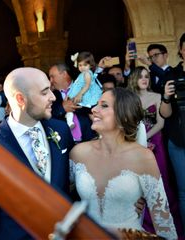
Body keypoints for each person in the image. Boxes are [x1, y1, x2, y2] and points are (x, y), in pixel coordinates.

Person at [0, 67, 75, 239]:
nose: (53, 97)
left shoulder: (61, 131)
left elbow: (73, 185)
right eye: (44, 92)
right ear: (20, 98)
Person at [70, 88, 177, 239]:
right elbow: (59, 193)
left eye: (104, 105)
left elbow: (162, 217)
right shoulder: (78, 153)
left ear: (124, 115)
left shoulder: (143, 157)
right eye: (96, 104)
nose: (94, 109)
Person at [128, 66, 183, 236]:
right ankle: (147, 226)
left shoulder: (158, 96)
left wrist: (146, 139)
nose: (144, 79)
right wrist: (139, 142)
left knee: (161, 181)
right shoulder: (130, 99)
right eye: (141, 77)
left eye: (147, 76)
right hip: (136, 144)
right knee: (139, 184)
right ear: (134, 79)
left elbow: (161, 123)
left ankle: (168, 225)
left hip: (156, 143)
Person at [160, 32, 185, 230]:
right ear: (181, 50)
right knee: (184, 191)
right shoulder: (171, 75)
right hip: (179, 140)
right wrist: (166, 98)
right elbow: (165, 113)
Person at [49, 62, 96, 142]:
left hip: (89, 139)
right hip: (64, 142)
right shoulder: (50, 95)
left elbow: (94, 107)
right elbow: (48, 115)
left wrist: (75, 105)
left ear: (64, 74)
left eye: (52, 77)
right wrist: (63, 108)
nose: (51, 81)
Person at [66, 52, 102, 129]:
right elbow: (76, 86)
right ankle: (69, 119)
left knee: (88, 112)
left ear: (90, 65)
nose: (82, 67)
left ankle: (70, 120)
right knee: (88, 113)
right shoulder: (82, 74)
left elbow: (87, 85)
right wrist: (69, 95)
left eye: (85, 65)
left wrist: (80, 94)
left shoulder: (87, 73)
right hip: (83, 95)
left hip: (87, 96)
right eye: (80, 65)